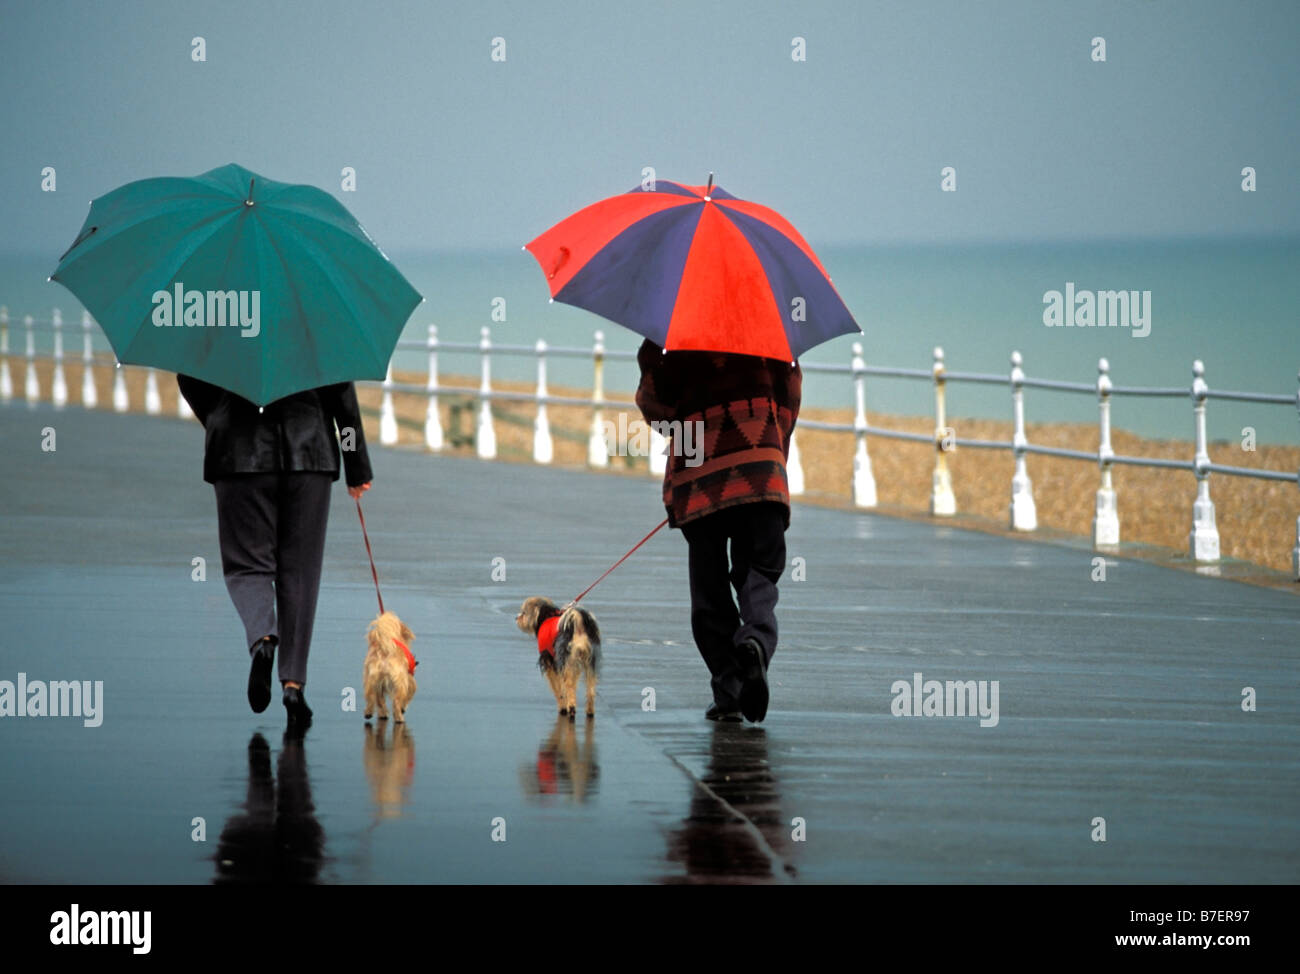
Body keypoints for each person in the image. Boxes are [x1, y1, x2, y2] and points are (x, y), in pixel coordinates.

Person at [177, 375, 373, 727]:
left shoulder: (222, 319)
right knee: (300, 571)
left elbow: (189, 376)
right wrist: (356, 464)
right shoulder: (316, 320)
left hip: (237, 454)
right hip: (309, 454)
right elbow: (341, 394)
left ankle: (263, 639)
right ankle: (294, 684)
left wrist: (220, 418)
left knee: (246, 565)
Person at [635, 339, 801, 723]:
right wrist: (769, 439)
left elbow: (657, 408)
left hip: (701, 475)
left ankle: (729, 688)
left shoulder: (678, 332)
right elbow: (790, 399)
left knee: (708, 586)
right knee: (760, 569)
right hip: (761, 466)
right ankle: (755, 640)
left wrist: (650, 353)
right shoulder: (770, 328)